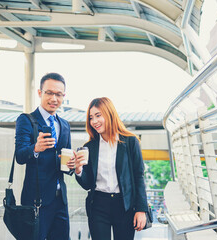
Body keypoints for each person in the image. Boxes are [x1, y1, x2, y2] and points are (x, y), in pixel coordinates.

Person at [74, 97, 149, 240]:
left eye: (98, 115)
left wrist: (141, 209)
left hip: (124, 205)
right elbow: (87, 184)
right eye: (91, 117)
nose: (94, 121)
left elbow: (139, 177)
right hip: (98, 205)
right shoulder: (90, 147)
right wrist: (78, 171)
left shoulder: (130, 141)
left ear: (109, 114)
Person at [15, 72, 75, 240]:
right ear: (40, 93)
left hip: (60, 200)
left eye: (59, 94)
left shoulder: (64, 125)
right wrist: (36, 148)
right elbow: (20, 156)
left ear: (64, 96)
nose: (54, 98)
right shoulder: (26, 120)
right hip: (36, 201)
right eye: (49, 93)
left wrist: (72, 165)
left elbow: (65, 158)